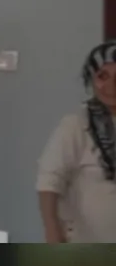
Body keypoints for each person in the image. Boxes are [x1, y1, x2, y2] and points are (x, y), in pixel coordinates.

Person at [37, 40, 116, 242]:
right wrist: (52, 231)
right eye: (103, 76)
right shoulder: (76, 125)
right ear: (91, 80)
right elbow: (49, 180)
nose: (111, 85)